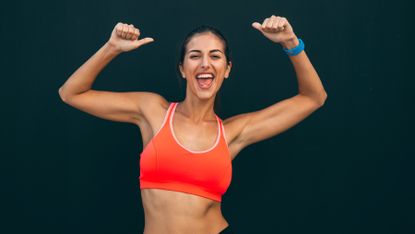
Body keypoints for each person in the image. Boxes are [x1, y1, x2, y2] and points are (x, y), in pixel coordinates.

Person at [59, 15, 327, 234]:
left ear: (228, 68)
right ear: (182, 68)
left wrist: (290, 43)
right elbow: (71, 93)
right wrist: (112, 48)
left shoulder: (233, 133)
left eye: (215, 56)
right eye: (195, 56)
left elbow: (314, 98)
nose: (205, 63)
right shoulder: (152, 111)